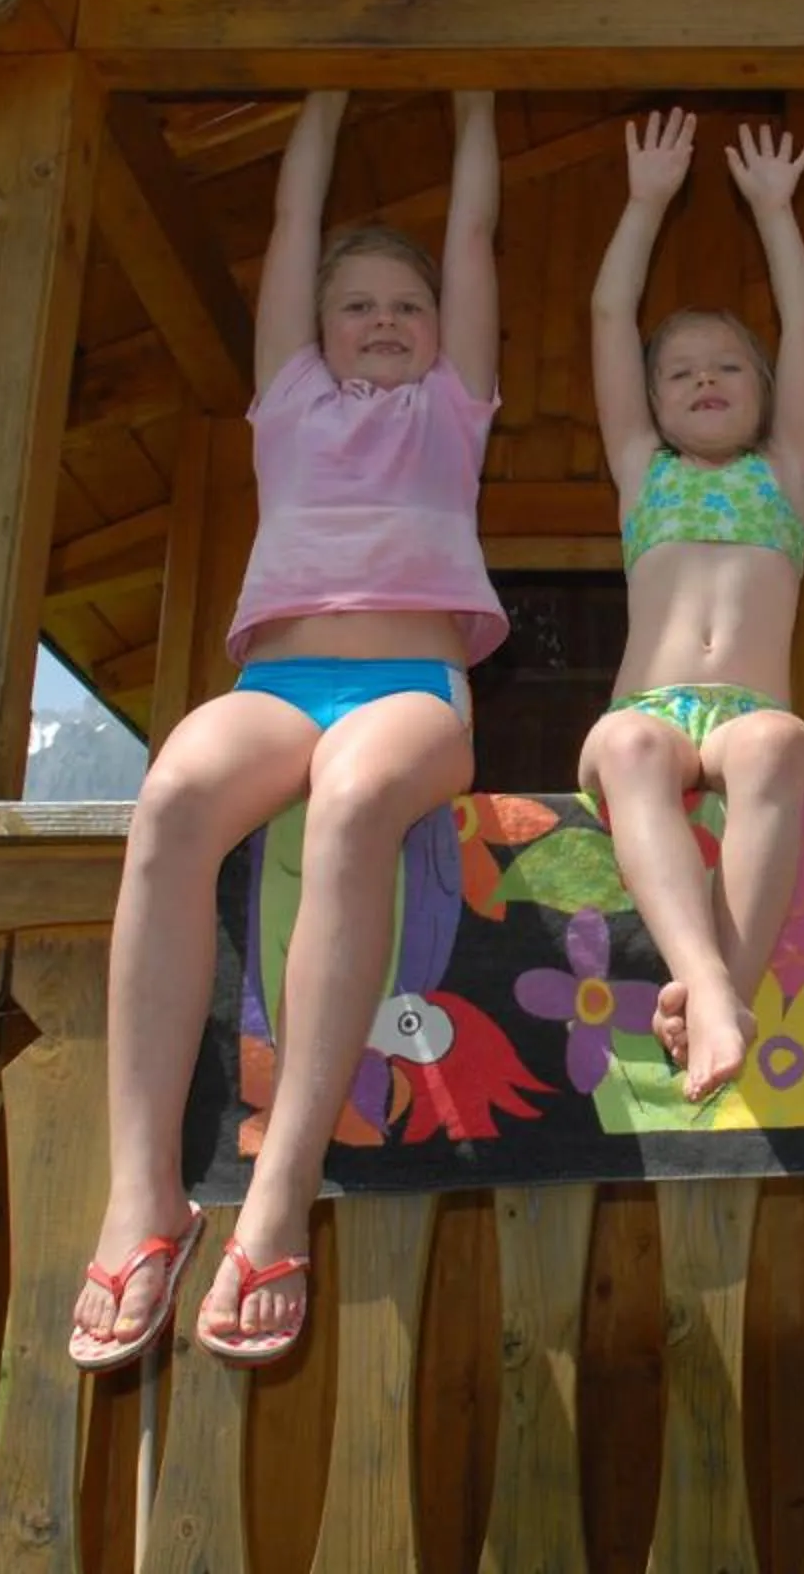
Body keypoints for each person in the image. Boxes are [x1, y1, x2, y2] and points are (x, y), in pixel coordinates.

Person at [68, 88, 505, 1371]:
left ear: (440, 333)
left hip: (412, 688)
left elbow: (473, 238)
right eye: (357, 304)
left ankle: (278, 1190)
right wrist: (321, 99)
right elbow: (288, 217)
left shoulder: (453, 405)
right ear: (315, 331)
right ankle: (142, 1191)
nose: (383, 321)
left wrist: (472, 105)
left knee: (361, 800)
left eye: (405, 306)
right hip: (279, 685)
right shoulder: (287, 399)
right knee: (172, 799)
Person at [579, 109, 804, 1102]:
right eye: (679, 372)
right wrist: (643, 203)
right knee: (631, 750)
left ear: (764, 394)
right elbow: (608, 318)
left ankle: (720, 988)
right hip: (647, 711)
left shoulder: (787, 471)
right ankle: (715, 985)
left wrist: (777, 211)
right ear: (652, 402)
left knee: (775, 746)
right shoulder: (642, 470)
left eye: (727, 366)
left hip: (746, 719)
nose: (705, 380)